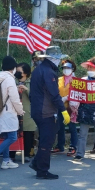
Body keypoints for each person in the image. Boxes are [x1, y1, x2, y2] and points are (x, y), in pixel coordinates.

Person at [29, 52, 70, 180]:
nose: (60, 61)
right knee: (47, 141)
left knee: (45, 139)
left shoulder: (38, 70)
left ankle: (37, 163)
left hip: (38, 109)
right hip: (46, 111)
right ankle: (42, 170)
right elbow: (54, 94)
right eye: (58, 58)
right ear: (53, 58)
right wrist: (63, 110)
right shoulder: (48, 72)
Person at [0, 56, 24, 171]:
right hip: (8, 111)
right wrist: (20, 111)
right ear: (13, 67)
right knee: (12, 137)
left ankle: (6, 161)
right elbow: (14, 98)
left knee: (7, 136)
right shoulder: (9, 79)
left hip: (0, 111)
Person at [75, 58, 95, 161]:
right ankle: (80, 153)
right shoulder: (83, 80)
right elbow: (77, 94)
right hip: (85, 109)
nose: (89, 69)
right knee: (82, 134)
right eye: (88, 67)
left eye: (91, 67)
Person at [10, 63, 36, 160]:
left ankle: (27, 154)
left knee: (28, 134)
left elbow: (36, 97)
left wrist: (27, 90)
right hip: (14, 112)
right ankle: (11, 155)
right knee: (13, 134)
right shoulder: (13, 81)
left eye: (19, 71)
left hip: (28, 112)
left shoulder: (32, 82)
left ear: (25, 73)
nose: (17, 73)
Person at [54, 59, 79, 155]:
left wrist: (66, 98)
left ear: (72, 69)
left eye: (68, 68)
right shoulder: (59, 79)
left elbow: (76, 92)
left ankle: (73, 146)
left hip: (71, 108)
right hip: (60, 106)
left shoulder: (76, 80)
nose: (66, 70)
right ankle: (60, 146)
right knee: (60, 127)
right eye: (64, 68)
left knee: (72, 127)